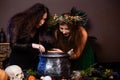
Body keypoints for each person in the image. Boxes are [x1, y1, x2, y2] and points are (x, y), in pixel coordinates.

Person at [7, 3, 51, 70]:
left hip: (33, 66)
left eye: (44, 19)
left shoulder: (39, 27)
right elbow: (13, 45)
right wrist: (32, 45)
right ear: (34, 16)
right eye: (41, 18)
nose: (42, 22)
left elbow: (46, 41)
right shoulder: (17, 22)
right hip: (17, 66)